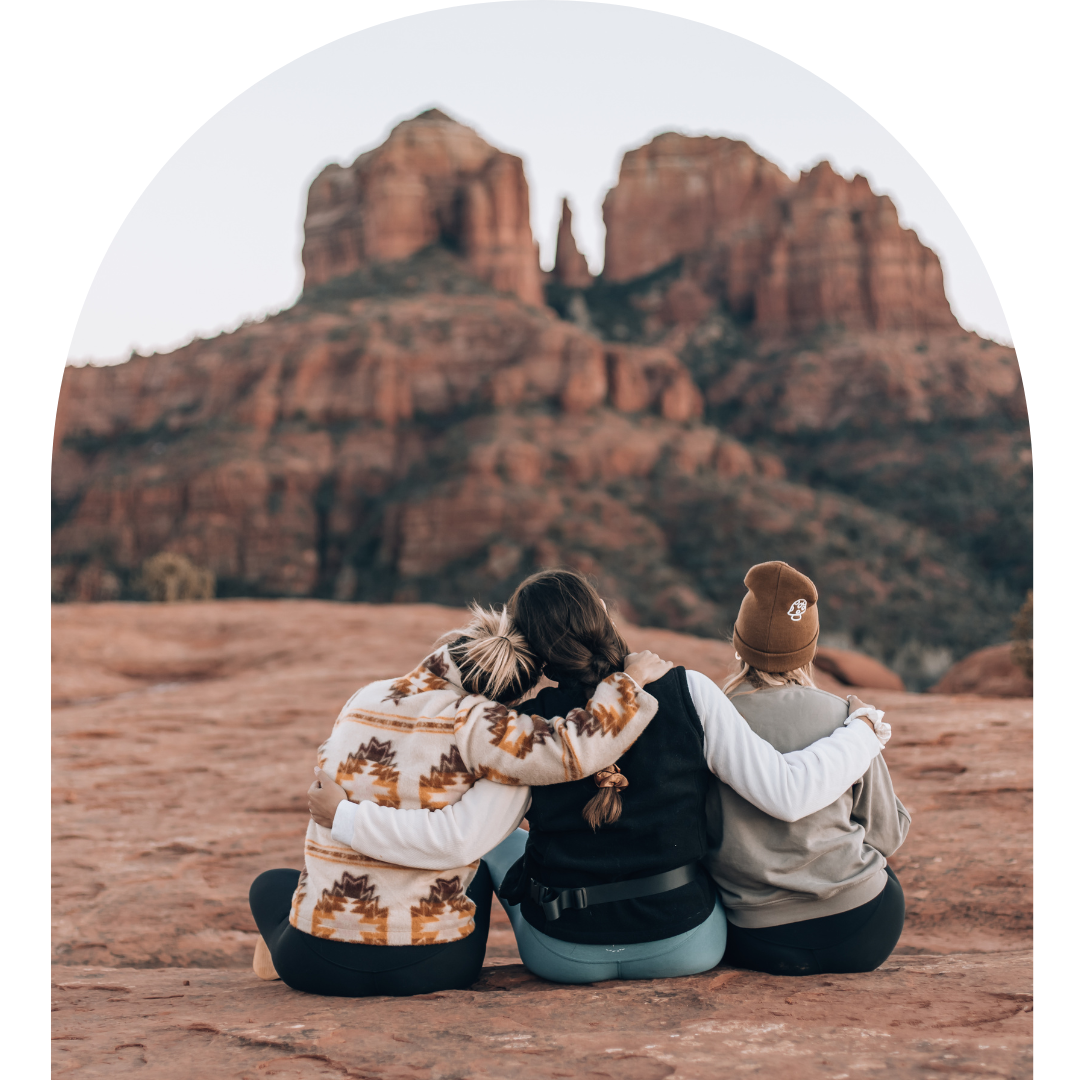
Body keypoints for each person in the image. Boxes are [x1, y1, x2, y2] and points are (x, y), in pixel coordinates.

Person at [323, 569, 889, 985]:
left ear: (531, 653)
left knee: (492, 851)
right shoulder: (688, 690)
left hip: (563, 955)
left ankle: (428, 948)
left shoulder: (524, 729)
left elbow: (466, 838)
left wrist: (346, 814)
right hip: (687, 943)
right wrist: (862, 730)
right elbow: (781, 793)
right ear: (604, 619)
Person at [250, 601, 672, 997]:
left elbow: (329, 771)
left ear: (450, 653)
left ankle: (284, 941)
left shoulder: (364, 698)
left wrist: (344, 814)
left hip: (312, 963)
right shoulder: (485, 724)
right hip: (431, 966)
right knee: (484, 863)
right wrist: (625, 687)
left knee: (269, 884)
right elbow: (571, 750)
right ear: (503, 696)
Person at [707, 560, 910, 976]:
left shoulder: (711, 723)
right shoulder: (848, 719)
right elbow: (886, 835)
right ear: (811, 648)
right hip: (864, 930)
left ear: (739, 643)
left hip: (757, 939)